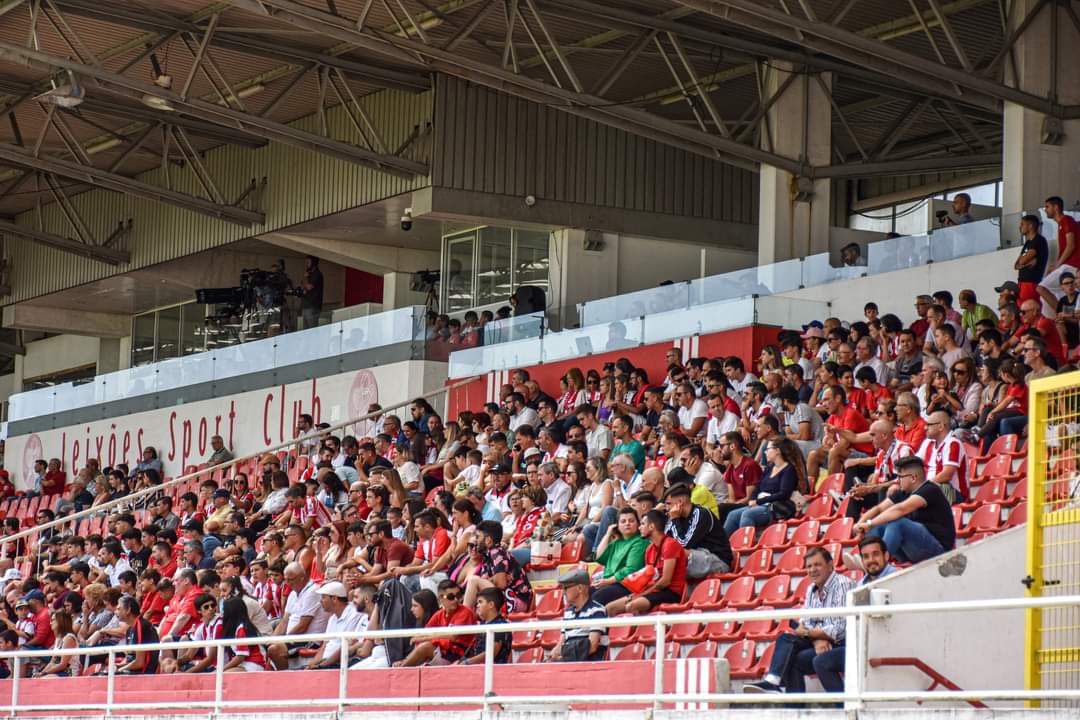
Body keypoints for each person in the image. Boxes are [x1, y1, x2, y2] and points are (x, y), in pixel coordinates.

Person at [743, 546, 853, 696]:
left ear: (830, 565)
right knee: (786, 640)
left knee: (798, 658)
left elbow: (838, 629)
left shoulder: (842, 584)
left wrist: (809, 633)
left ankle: (843, 707)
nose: (813, 569)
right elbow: (806, 621)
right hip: (821, 640)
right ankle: (779, 690)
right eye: (809, 566)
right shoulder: (811, 589)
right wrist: (816, 639)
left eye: (817, 564)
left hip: (843, 643)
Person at [854, 455, 955, 563]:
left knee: (898, 523)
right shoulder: (903, 492)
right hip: (914, 547)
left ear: (913, 478)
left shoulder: (929, 489)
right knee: (879, 525)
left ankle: (877, 562)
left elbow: (900, 509)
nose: (897, 481)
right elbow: (879, 509)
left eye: (900, 477)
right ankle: (866, 559)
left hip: (939, 549)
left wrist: (869, 523)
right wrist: (860, 525)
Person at [724, 438, 802, 536]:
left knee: (748, 514)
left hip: (776, 507)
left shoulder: (788, 470)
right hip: (761, 504)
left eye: (768, 449)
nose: (765, 452)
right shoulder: (769, 468)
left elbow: (784, 494)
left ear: (777, 451)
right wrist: (752, 499)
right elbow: (758, 487)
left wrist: (758, 501)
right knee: (733, 514)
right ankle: (723, 546)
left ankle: (746, 545)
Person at [394, 579, 476, 667]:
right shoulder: (439, 614)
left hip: (461, 655)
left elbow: (453, 636)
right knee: (422, 645)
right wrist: (422, 638)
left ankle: (400, 670)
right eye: (451, 597)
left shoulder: (465, 612)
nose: (456, 600)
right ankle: (404, 663)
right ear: (441, 598)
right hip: (444, 652)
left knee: (425, 646)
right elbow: (425, 632)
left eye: (458, 595)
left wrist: (427, 638)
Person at [662, 483, 732, 577]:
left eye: (668, 504)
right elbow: (664, 543)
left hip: (719, 561)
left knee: (679, 552)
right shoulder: (676, 517)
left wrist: (675, 519)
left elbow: (683, 544)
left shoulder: (701, 513)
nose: (667, 508)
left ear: (680, 501)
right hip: (699, 559)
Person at [591, 507, 649, 607]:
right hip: (609, 583)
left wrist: (607, 581)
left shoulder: (640, 542)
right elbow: (599, 557)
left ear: (638, 524)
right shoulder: (617, 542)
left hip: (626, 585)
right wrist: (608, 534)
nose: (627, 524)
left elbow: (631, 569)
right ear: (617, 525)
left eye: (631, 521)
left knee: (597, 597)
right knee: (582, 594)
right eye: (623, 521)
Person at [550, 568, 608, 662]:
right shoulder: (568, 613)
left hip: (587, 663)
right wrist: (554, 654)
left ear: (580, 588)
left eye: (566, 588)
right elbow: (561, 643)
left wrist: (564, 656)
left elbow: (592, 646)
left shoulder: (597, 610)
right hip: (569, 660)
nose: (563, 592)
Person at [306, 582, 363, 670]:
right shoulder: (332, 618)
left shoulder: (354, 615)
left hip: (337, 665)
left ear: (334, 599)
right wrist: (310, 666)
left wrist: (321, 666)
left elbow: (345, 647)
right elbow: (324, 646)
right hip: (325, 664)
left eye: (323, 597)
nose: (320, 601)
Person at [1039, 196, 1080, 313]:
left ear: (1056, 207)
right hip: (1069, 264)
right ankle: (1068, 314)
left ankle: (1065, 316)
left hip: (1072, 264)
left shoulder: (1067, 220)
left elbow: (1070, 245)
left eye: (1047, 206)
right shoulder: (1062, 223)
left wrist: (1057, 265)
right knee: (1057, 292)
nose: (1045, 209)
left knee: (1041, 288)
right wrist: (1055, 266)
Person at [460, 587, 511, 665]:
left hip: (493, 671)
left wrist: (467, 662)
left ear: (491, 605)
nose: (477, 606)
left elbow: (491, 653)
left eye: (480, 602)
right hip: (477, 667)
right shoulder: (483, 623)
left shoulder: (501, 625)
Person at [221, 597, 267, 672]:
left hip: (254, 664)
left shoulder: (242, 628)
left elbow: (240, 657)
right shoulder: (238, 627)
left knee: (224, 675)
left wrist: (221, 669)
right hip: (244, 664)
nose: (223, 614)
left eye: (224, 611)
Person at [117, 595, 160, 674]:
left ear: (128, 610)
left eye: (119, 609)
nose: (116, 612)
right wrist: (118, 666)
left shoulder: (141, 626)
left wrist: (120, 669)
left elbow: (140, 663)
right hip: (132, 670)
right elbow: (129, 657)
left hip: (143, 673)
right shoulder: (129, 629)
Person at [298, 255, 324, 329]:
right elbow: (304, 285)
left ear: (314, 263)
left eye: (308, 262)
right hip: (306, 305)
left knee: (312, 330)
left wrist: (306, 277)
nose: (307, 264)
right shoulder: (310, 274)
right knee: (305, 330)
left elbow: (309, 287)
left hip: (312, 306)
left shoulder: (317, 274)